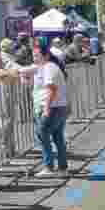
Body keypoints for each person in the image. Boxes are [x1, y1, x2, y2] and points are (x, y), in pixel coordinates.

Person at [26, 39, 69, 177]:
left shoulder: (48, 67)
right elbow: (39, 86)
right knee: (57, 137)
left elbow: (51, 89)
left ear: (46, 56)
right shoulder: (44, 68)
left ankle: (49, 166)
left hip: (53, 107)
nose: (34, 58)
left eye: (37, 55)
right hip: (58, 106)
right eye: (33, 55)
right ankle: (62, 168)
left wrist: (46, 108)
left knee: (42, 133)